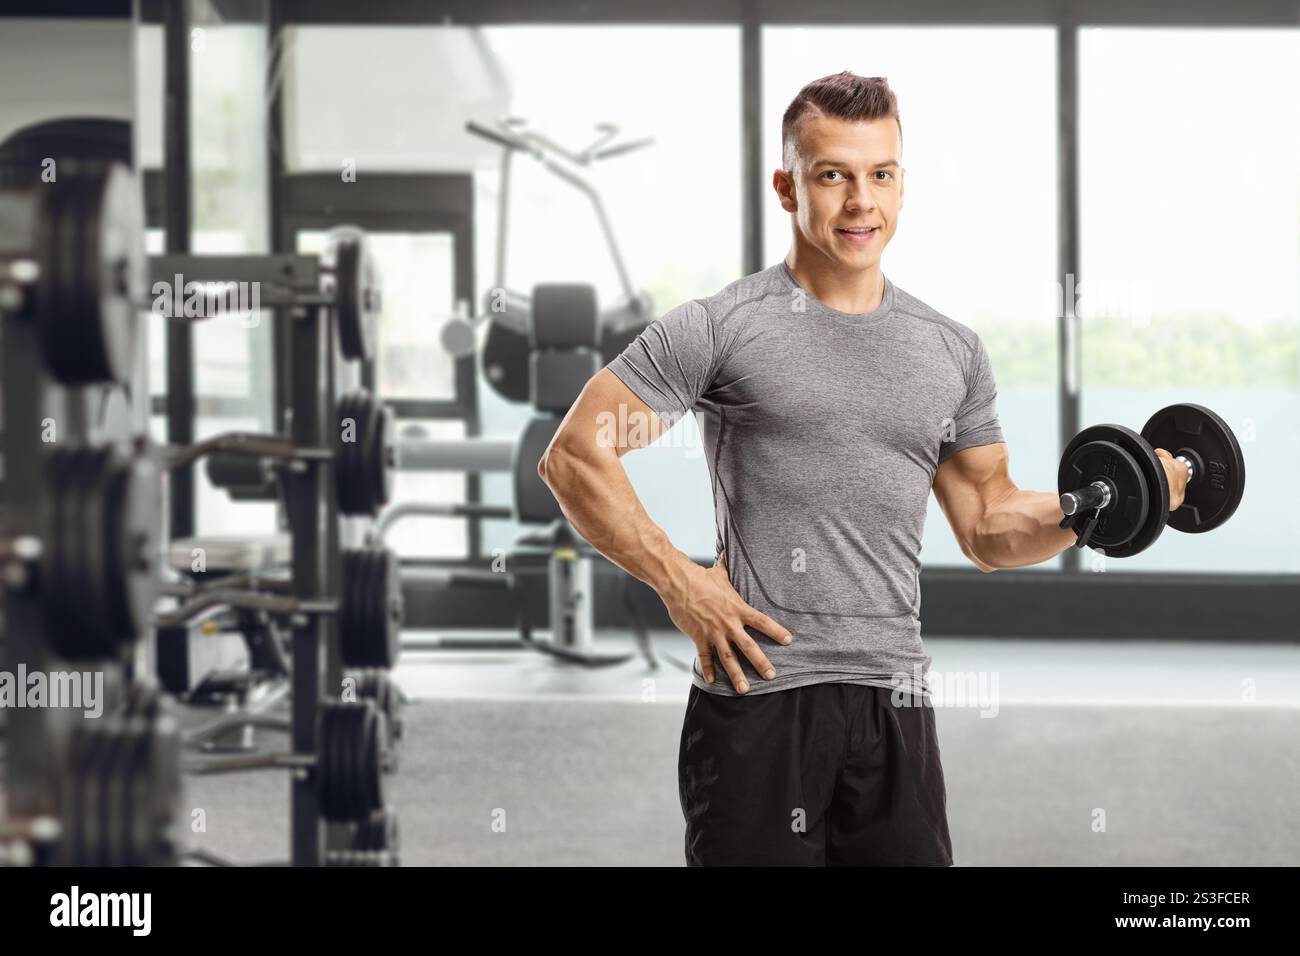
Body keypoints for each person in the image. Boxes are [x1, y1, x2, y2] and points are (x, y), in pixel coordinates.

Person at [537, 71, 1189, 866]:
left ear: (903, 187)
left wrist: (1116, 499)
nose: (860, 203)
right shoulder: (720, 330)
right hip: (760, 699)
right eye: (832, 175)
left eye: (880, 175)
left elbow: (989, 527)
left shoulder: (949, 352)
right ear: (787, 187)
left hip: (894, 703)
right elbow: (575, 455)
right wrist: (683, 584)